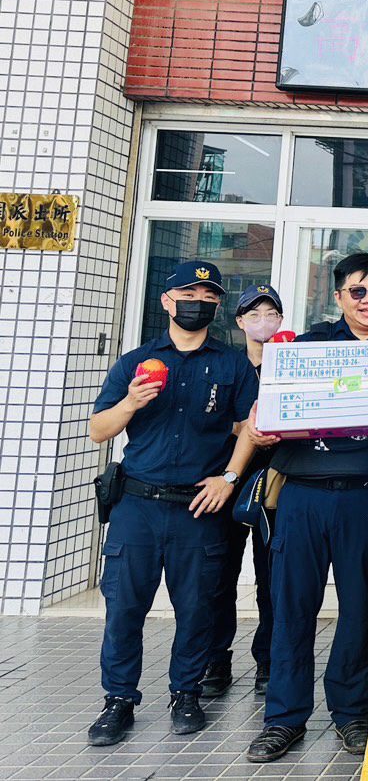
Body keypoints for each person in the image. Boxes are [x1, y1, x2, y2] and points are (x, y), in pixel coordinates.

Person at [247, 252, 368, 764]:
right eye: (358, 291)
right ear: (339, 296)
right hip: (303, 493)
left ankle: (353, 713)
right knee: (292, 607)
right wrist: (261, 423)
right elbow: (269, 408)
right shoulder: (310, 346)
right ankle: (284, 718)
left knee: (361, 611)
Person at [87, 261, 260, 747]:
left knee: (197, 608)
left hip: (198, 507)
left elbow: (252, 426)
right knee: (124, 608)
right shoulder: (136, 362)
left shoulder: (231, 365)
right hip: (137, 504)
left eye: (208, 296)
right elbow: (98, 429)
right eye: (188, 294)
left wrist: (229, 477)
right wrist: (130, 403)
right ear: (167, 301)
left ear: (217, 305)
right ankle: (118, 700)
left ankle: (186, 693)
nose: (197, 303)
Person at [198, 286, 283, 702]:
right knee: (219, 576)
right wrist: (242, 428)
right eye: (254, 313)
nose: (262, 320)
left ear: (280, 320)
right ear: (239, 321)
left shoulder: (291, 363)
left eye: (271, 313)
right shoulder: (225, 365)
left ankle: (267, 659)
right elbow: (212, 418)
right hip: (227, 480)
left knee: (272, 577)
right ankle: (216, 658)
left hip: (275, 483)